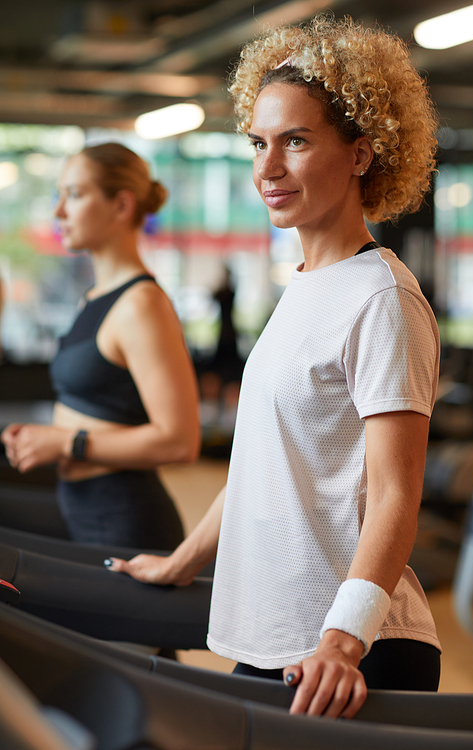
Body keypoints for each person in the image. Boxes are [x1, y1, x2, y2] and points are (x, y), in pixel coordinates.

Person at [107, 15, 442, 718]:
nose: (268, 168)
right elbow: (266, 465)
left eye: (295, 141)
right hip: (280, 638)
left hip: (346, 654)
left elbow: (394, 496)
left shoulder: (381, 297)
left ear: (360, 154)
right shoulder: (305, 287)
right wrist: (181, 562)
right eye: (259, 143)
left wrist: (345, 641)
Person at [1, 143, 200, 549]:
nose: (59, 211)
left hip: (122, 521)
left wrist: (64, 441)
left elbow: (180, 441)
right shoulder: (93, 297)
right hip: (76, 503)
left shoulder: (141, 304)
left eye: (73, 194)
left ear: (121, 205)